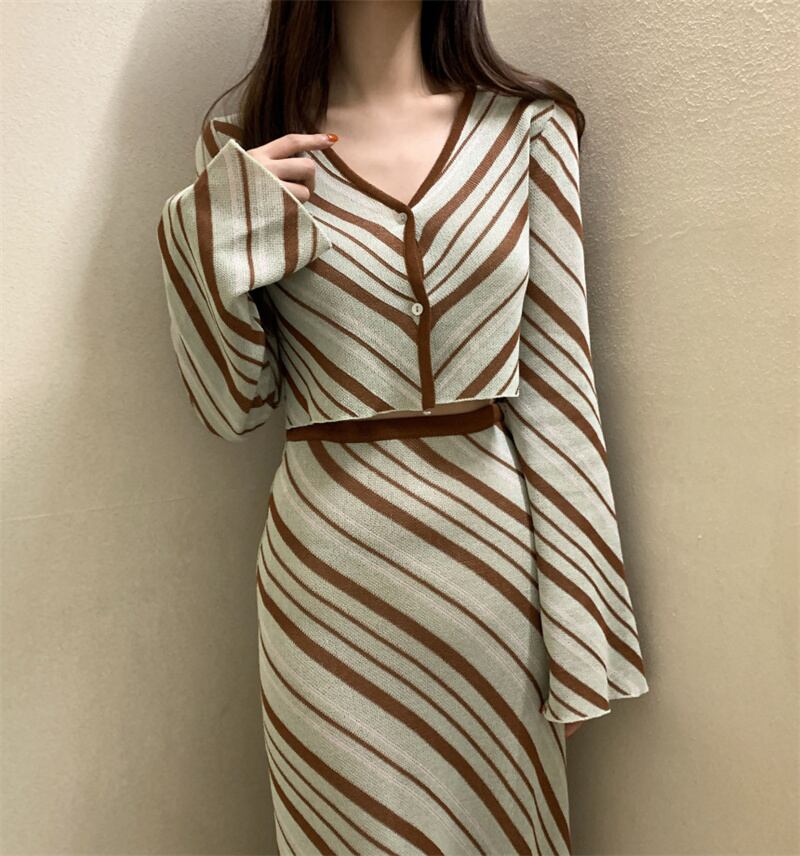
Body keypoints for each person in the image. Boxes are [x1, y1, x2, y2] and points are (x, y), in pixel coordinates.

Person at [155, 1, 650, 852]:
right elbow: (230, 404)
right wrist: (205, 228)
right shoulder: (242, 145)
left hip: (493, 583)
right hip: (328, 591)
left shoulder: (528, 129)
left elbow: (561, 392)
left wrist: (579, 636)